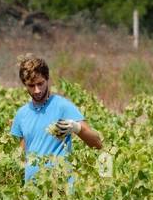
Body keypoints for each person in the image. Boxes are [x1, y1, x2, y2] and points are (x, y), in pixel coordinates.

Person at [10, 55, 103, 184]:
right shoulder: (22, 114)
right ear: (24, 84)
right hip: (32, 194)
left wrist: (77, 128)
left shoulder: (63, 106)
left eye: (40, 83)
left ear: (47, 79)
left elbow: (97, 143)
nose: (37, 90)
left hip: (60, 189)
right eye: (31, 85)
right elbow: (23, 155)